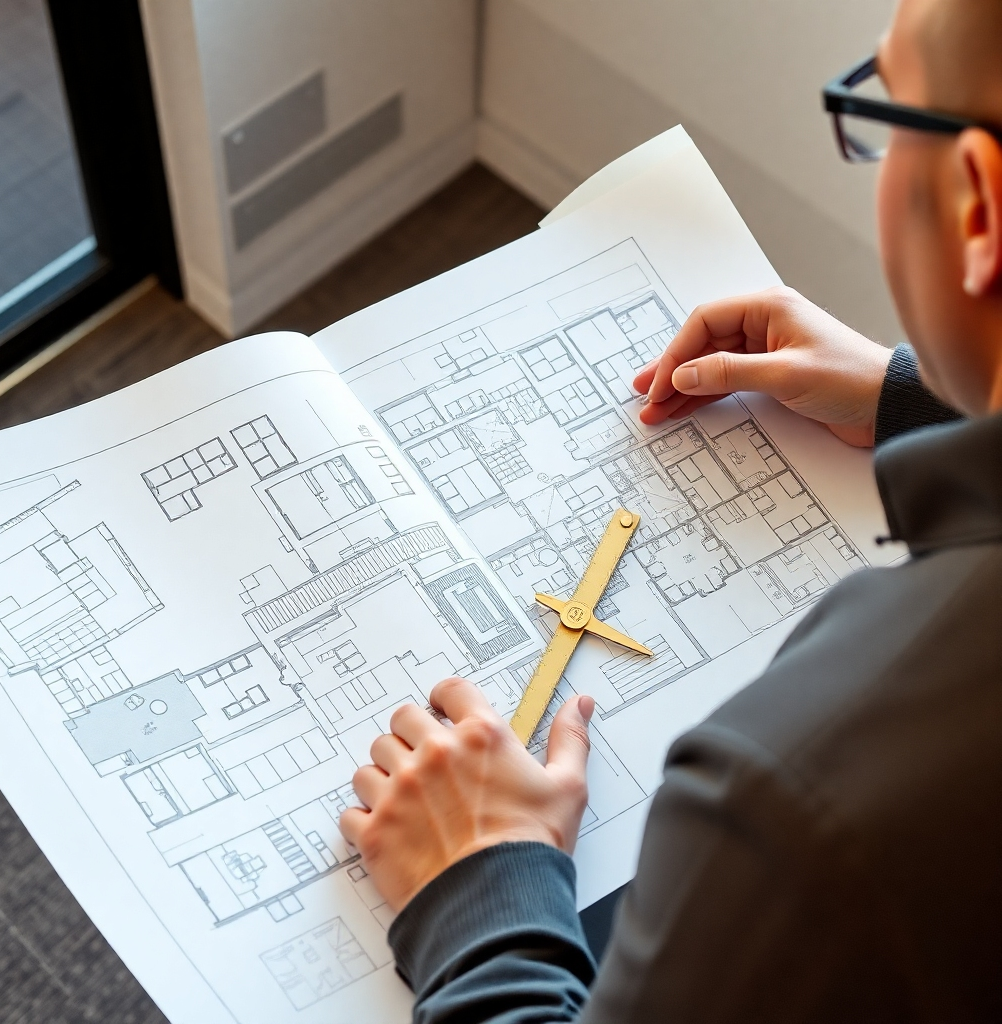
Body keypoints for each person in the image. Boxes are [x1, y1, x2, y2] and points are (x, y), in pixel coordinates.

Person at [339, 0, 1002, 1018]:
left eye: (886, 108)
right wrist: (918, 395)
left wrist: (482, 888)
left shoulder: (796, 789)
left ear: (976, 208)